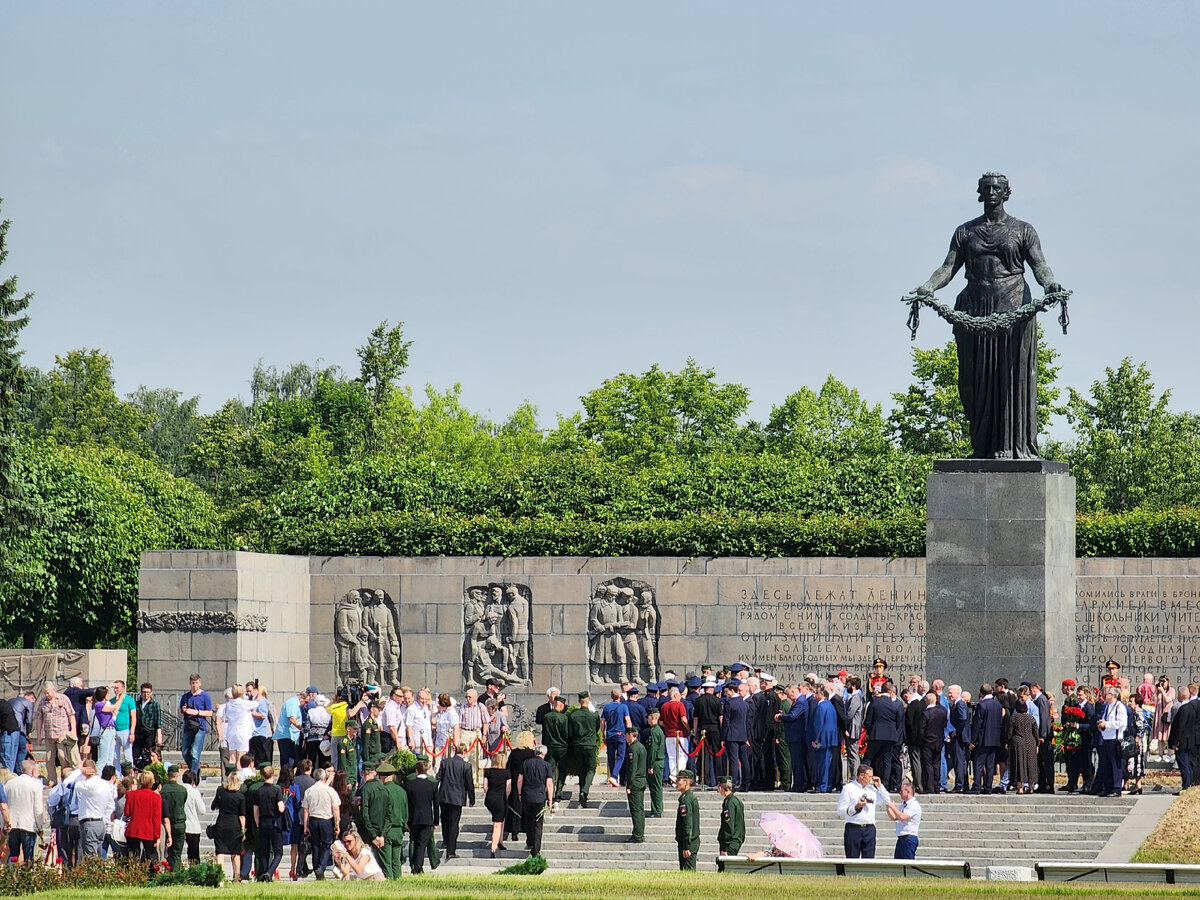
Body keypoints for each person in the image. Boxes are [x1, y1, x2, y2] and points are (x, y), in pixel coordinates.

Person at [912, 172, 1066, 459]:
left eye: (998, 188)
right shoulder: (965, 232)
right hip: (975, 309)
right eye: (987, 188)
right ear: (980, 193)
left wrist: (1051, 283)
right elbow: (947, 267)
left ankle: (1010, 446)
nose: (992, 192)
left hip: (1013, 308)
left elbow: (1040, 265)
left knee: (1009, 379)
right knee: (974, 381)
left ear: (1007, 193)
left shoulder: (1023, 230)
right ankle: (981, 447)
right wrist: (927, 287)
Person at [837, 764, 888, 859]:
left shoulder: (872, 789)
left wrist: (880, 786)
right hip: (853, 827)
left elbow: (886, 801)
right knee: (852, 858)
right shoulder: (849, 788)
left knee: (869, 860)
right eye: (869, 777)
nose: (872, 779)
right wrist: (856, 807)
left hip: (869, 828)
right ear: (861, 776)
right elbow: (840, 810)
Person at [35, 681, 80, 786]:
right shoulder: (42, 702)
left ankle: (66, 778)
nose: (46, 695)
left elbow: (71, 715)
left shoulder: (63, 699)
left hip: (62, 735)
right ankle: (52, 780)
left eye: (48, 692)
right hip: (49, 735)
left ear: (53, 690)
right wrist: (38, 735)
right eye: (44, 693)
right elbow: (39, 718)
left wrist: (73, 731)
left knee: (63, 757)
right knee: (49, 758)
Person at [437, 741, 475, 859]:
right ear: (464, 752)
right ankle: (451, 850)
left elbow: (438, 778)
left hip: (444, 796)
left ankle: (445, 840)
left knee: (444, 819)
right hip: (457, 797)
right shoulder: (466, 766)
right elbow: (469, 784)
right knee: (454, 824)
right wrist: (471, 798)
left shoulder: (445, 762)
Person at [6, 759, 47, 863]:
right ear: (32, 770)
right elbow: (38, 809)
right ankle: (26, 878)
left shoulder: (10, 784)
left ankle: (11, 876)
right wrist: (40, 826)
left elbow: (4, 805)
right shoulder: (35, 784)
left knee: (13, 855)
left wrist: (4, 823)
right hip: (28, 824)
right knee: (28, 856)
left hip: (12, 823)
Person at [302, 768, 340, 879]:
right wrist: (337, 825)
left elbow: (305, 810)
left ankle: (316, 868)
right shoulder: (330, 791)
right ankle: (321, 867)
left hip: (313, 820)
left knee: (315, 846)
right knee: (326, 845)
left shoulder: (309, 791)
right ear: (325, 778)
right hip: (326, 820)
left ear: (314, 778)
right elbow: (336, 809)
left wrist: (305, 825)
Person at [404, 758, 439, 874]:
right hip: (427, 819)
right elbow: (436, 805)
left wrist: (407, 821)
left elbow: (407, 804)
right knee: (421, 844)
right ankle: (418, 867)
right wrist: (436, 821)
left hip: (414, 818)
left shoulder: (409, 785)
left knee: (415, 842)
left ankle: (416, 866)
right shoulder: (432, 785)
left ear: (416, 771)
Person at [517, 744, 553, 857]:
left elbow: (519, 780)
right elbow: (549, 784)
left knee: (528, 820)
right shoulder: (547, 765)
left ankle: (530, 841)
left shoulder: (525, 763)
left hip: (527, 796)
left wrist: (519, 793)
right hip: (540, 797)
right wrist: (550, 799)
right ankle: (536, 848)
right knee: (538, 823)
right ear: (544, 754)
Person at [252, 765, 286, 881]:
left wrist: (257, 824)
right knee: (278, 851)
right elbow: (281, 808)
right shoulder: (276, 790)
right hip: (274, 822)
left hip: (263, 822)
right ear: (273, 775)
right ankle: (269, 872)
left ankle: (263, 873)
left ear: (262, 776)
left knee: (264, 851)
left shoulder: (259, 791)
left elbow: (255, 811)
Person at [567, 691, 600, 807]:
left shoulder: (573, 716)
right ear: (588, 700)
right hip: (590, 744)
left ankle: (582, 795)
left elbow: (570, 732)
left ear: (579, 701)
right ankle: (584, 791)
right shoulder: (594, 715)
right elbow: (597, 729)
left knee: (582, 769)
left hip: (577, 745)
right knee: (591, 769)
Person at [375, 762, 408, 879]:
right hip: (398, 829)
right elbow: (405, 812)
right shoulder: (401, 791)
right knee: (396, 861)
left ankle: (389, 883)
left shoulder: (381, 791)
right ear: (392, 776)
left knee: (386, 861)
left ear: (380, 777)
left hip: (386, 830)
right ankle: (397, 882)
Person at [1095, 686, 1128, 797]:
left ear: (1113, 695)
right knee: (1105, 764)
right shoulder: (1107, 706)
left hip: (1115, 738)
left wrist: (1107, 724)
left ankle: (1116, 788)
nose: (1106, 695)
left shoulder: (1119, 706)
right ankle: (1107, 787)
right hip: (1105, 738)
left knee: (1115, 764)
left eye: (1108, 693)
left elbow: (1122, 723)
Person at [970, 684, 1004, 794]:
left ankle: (977, 786)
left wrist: (973, 740)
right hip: (994, 739)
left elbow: (977, 724)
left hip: (983, 739)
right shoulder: (998, 705)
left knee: (979, 763)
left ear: (981, 693)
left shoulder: (982, 705)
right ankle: (988, 787)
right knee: (990, 764)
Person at [123, 770, 162, 863]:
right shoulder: (156, 797)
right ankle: (151, 876)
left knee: (133, 857)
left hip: (133, 829)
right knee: (151, 856)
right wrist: (157, 836)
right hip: (148, 830)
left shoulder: (131, 795)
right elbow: (156, 819)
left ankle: (133, 875)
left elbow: (127, 813)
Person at [179, 675, 213, 777]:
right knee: (185, 751)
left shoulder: (205, 696)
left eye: (196, 683)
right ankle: (195, 769)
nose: (195, 685)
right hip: (188, 726)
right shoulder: (185, 696)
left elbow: (210, 713)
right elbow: (179, 713)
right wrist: (183, 710)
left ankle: (192, 777)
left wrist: (197, 712)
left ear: (200, 683)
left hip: (199, 727)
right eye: (193, 683)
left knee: (194, 752)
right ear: (190, 683)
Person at [160, 764, 189, 872]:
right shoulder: (182, 790)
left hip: (166, 822)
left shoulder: (163, 790)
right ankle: (175, 872)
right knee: (177, 851)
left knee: (166, 850)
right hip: (179, 822)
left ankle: (167, 870)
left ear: (168, 775)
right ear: (177, 775)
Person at [483, 749, 511, 857]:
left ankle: (500, 841)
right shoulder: (506, 772)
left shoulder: (488, 772)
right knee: (497, 824)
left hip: (490, 799)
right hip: (500, 799)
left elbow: (485, 787)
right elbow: (508, 789)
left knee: (500, 819)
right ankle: (493, 847)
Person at [885, 781, 921, 859]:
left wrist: (893, 807)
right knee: (898, 864)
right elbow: (895, 817)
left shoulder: (914, 805)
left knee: (908, 863)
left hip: (909, 838)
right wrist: (888, 808)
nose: (899, 793)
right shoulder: (904, 804)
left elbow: (903, 817)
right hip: (901, 838)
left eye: (901, 791)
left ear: (908, 792)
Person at [623, 727, 647, 843]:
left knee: (636, 810)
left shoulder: (632, 749)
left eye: (626, 735)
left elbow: (632, 769)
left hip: (635, 783)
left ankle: (637, 835)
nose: (625, 737)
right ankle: (640, 833)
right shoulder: (641, 747)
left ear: (630, 735)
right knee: (640, 810)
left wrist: (629, 786)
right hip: (641, 781)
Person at [674, 768, 700, 871]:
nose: (677, 783)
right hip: (689, 841)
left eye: (679, 780)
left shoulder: (686, 800)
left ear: (686, 782)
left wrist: (686, 846)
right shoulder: (687, 797)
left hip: (689, 842)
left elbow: (687, 824)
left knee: (687, 871)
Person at [133, 683, 162, 770]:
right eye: (144, 692)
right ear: (141, 692)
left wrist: (159, 735)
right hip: (138, 732)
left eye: (148, 692)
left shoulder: (155, 705)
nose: (146, 694)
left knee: (150, 754)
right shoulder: (136, 704)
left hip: (150, 732)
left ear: (151, 693)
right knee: (135, 754)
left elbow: (158, 721)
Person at [716, 775, 745, 856]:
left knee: (724, 867)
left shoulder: (729, 803)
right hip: (736, 839)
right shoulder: (736, 801)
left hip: (730, 843)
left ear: (720, 788)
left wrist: (725, 846)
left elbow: (728, 825)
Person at [181, 769, 205, 866]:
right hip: (193, 826)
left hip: (181, 824)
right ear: (193, 781)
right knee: (194, 854)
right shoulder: (195, 792)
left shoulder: (180, 790)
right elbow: (202, 811)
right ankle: (194, 871)